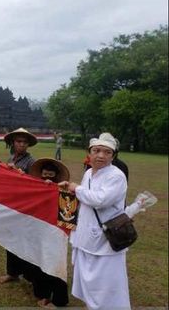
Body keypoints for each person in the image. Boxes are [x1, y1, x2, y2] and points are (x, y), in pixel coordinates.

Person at [59, 132, 131, 309]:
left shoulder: (116, 175)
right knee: (88, 283)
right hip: (86, 235)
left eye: (107, 152)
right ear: (89, 153)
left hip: (105, 238)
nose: (101, 155)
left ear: (112, 156)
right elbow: (85, 197)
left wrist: (77, 189)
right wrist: (69, 188)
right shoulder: (89, 173)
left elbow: (99, 200)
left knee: (105, 286)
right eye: (97, 150)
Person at [0, 128, 37, 284]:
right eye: (19, 141)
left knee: (23, 240)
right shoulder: (11, 157)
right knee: (10, 239)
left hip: (24, 206)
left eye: (25, 142)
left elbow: (36, 184)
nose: (22, 144)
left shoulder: (32, 162)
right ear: (13, 143)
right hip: (11, 203)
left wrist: (22, 175)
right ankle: (12, 273)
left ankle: (28, 275)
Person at [27, 158, 71, 308]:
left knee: (55, 263)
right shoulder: (35, 188)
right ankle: (42, 293)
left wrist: (55, 188)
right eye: (44, 174)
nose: (47, 177)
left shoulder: (65, 191)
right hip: (38, 230)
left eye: (51, 174)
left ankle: (59, 300)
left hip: (56, 233)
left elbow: (68, 213)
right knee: (39, 261)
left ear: (57, 175)